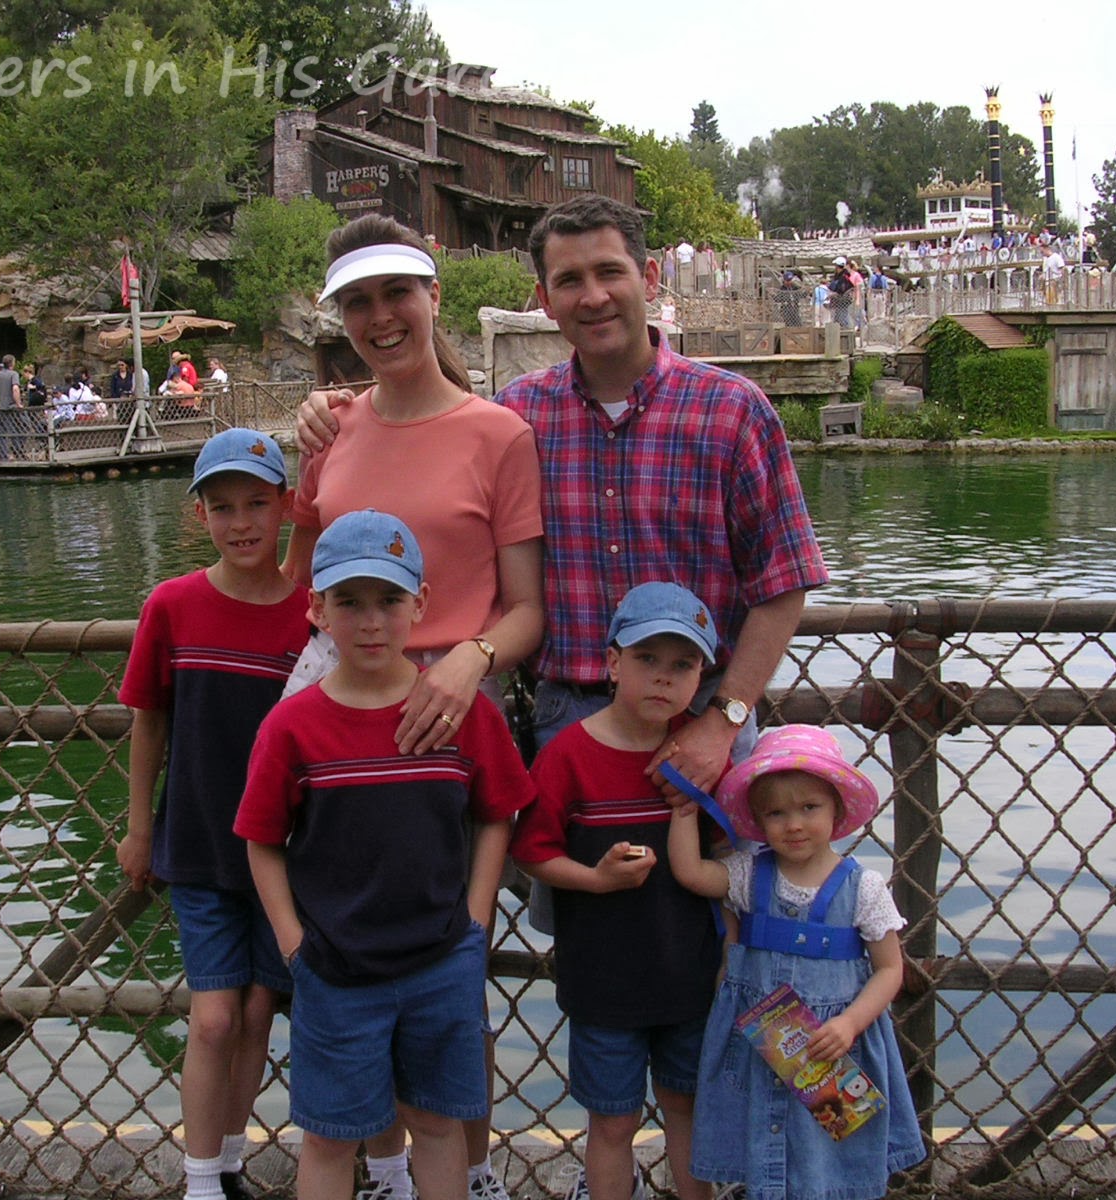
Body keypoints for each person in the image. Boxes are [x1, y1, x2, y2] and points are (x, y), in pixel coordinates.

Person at [299, 193, 826, 800]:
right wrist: (330, 409)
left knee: (719, 864)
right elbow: (424, 443)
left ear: (649, 277)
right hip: (566, 721)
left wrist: (724, 720)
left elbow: (783, 581)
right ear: (545, 299)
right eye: (570, 280)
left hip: (700, 717)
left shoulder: (731, 410)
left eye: (609, 272)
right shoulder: (519, 414)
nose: (593, 296)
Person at [285, 212, 544, 1200]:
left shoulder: (497, 434)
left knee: (446, 967)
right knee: (351, 949)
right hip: (340, 716)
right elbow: (301, 582)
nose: (380, 317)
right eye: (357, 302)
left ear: (434, 296)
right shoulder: (335, 428)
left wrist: (469, 660)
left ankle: (468, 1172)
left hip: (447, 717)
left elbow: (527, 609)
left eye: (397, 293)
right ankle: (387, 1169)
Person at [235, 510, 536, 1200]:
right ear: (318, 609)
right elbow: (261, 839)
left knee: (437, 1124)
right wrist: (291, 941)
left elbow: (498, 812)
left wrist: (476, 917)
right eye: (349, 602)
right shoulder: (291, 726)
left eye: (389, 600)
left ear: (420, 603)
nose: (371, 622)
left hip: (441, 959)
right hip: (334, 968)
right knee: (329, 1136)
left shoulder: (462, 712)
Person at [117, 428, 311, 1200]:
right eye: (222, 507)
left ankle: (229, 1162)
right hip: (198, 841)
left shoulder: (311, 615)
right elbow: (149, 721)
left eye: (256, 504)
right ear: (199, 514)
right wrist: (139, 827)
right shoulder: (172, 604)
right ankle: (200, 1180)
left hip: (283, 853)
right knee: (214, 1019)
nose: (241, 522)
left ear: (285, 507)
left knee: (260, 1010)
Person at [511, 582, 725, 1200]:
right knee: (611, 1123)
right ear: (612, 662)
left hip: (690, 976)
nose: (663, 677)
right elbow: (532, 851)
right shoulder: (568, 755)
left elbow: (731, 859)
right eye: (646, 658)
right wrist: (596, 879)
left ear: (701, 675)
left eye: (682, 664)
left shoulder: (701, 756)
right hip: (602, 981)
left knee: (687, 1110)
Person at [664, 725, 925, 1200]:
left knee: (828, 1162)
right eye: (776, 813)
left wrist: (850, 1023)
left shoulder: (863, 887)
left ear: (836, 810)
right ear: (758, 820)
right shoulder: (749, 875)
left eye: (809, 808)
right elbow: (691, 873)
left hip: (832, 1047)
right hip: (758, 1048)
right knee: (763, 1154)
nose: (794, 825)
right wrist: (684, 807)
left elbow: (891, 969)